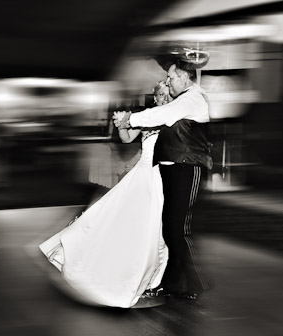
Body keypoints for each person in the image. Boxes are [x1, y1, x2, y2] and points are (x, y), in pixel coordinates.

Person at [37, 81, 171, 308]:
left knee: (157, 229)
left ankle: (153, 281)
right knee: (124, 222)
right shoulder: (147, 116)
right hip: (143, 176)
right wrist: (121, 123)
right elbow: (127, 138)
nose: (165, 100)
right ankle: (140, 279)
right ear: (155, 97)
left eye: (168, 96)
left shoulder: (172, 116)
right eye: (161, 96)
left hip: (162, 176)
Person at [116, 61, 211, 300]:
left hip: (187, 168)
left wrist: (130, 118)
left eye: (170, 78)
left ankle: (195, 282)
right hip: (171, 170)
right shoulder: (184, 99)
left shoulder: (194, 98)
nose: (168, 82)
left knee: (178, 230)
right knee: (170, 229)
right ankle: (173, 284)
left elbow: (164, 114)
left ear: (183, 77)